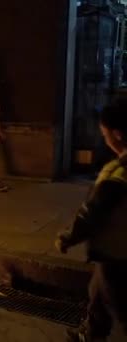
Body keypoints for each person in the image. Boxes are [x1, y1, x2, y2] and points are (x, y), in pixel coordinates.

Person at [55, 97, 127, 342]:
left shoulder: (117, 174)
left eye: (105, 134)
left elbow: (92, 213)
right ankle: (92, 333)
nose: (104, 139)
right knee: (96, 292)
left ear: (116, 135)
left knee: (118, 302)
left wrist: (68, 237)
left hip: (116, 254)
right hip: (115, 252)